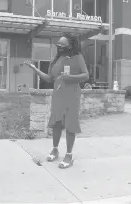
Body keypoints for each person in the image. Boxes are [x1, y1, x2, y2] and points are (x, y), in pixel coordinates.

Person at [24, 33, 89, 169]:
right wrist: (35, 69)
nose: (59, 47)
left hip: (72, 95)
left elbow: (85, 75)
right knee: (57, 123)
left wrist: (69, 77)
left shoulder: (77, 58)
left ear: (70, 46)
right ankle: (55, 149)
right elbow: (49, 79)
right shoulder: (57, 60)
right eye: (58, 45)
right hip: (58, 95)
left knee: (70, 124)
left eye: (62, 45)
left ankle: (69, 155)